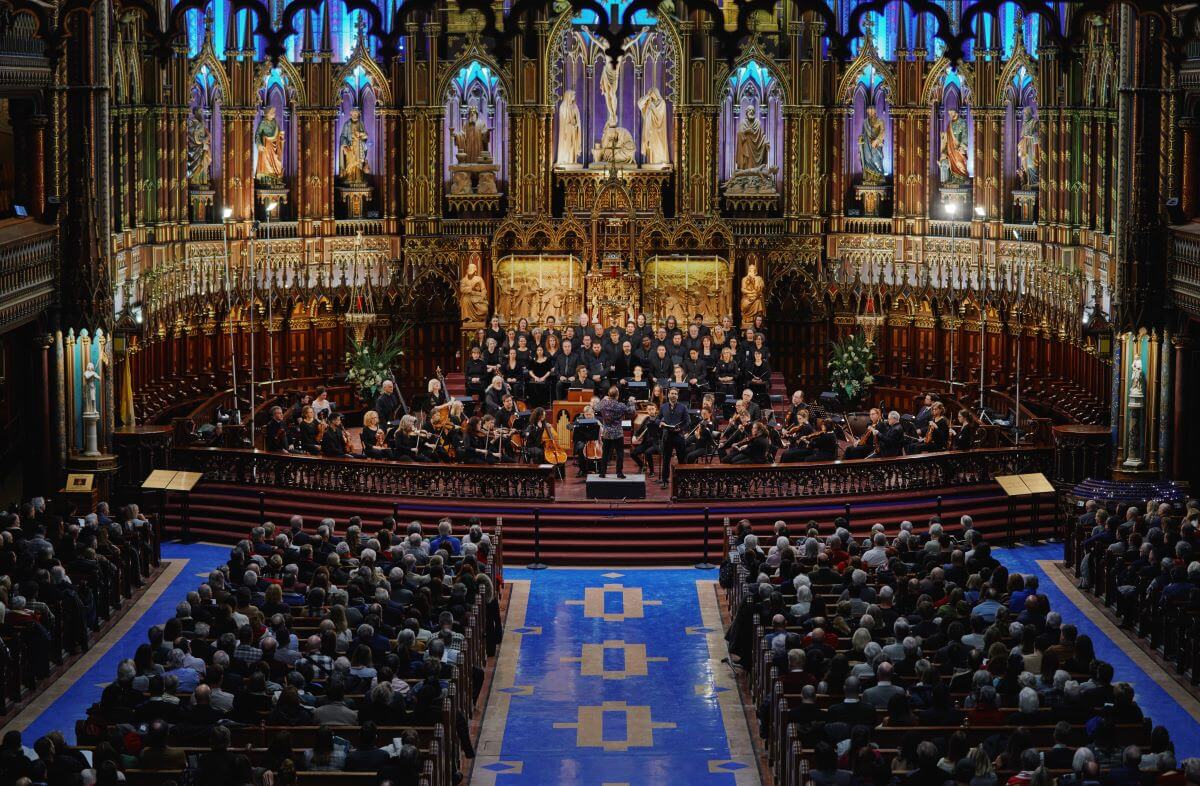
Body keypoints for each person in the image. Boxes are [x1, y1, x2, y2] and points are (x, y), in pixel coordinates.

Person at [594, 386, 635, 478]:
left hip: (607, 433)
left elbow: (595, 408)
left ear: (608, 395)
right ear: (617, 395)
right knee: (620, 453)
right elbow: (632, 411)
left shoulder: (604, 403)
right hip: (617, 433)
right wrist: (631, 402)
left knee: (605, 453)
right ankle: (619, 473)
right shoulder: (620, 405)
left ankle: (602, 472)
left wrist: (602, 400)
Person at [657, 386, 690, 489]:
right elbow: (658, 419)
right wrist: (660, 422)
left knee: (681, 460)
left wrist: (680, 429)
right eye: (672, 393)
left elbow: (688, 421)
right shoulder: (663, 407)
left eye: (675, 394)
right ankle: (665, 481)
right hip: (667, 436)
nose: (674, 395)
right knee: (666, 460)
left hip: (678, 436)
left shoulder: (683, 407)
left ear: (677, 396)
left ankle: (682, 480)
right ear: (668, 395)